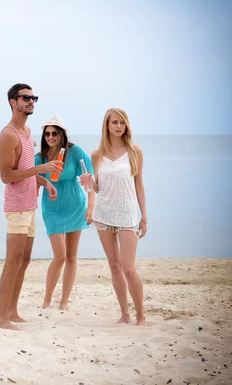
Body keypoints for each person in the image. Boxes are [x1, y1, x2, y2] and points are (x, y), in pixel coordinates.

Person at [0, 83, 61, 331]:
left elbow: (25, 172)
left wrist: (44, 182)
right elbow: (6, 176)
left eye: (34, 97)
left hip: (29, 204)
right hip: (17, 206)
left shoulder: (27, 131)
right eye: (26, 97)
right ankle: (1, 318)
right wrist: (41, 169)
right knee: (13, 261)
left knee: (24, 259)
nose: (31, 101)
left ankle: (12, 310)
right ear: (13, 102)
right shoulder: (8, 135)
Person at [83, 108, 148, 325]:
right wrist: (88, 184)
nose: (119, 126)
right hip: (103, 216)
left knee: (129, 268)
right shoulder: (96, 154)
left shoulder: (134, 151)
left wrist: (144, 216)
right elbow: (99, 188)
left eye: (122, 122)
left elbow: (139, 185)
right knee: (114, 266)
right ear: (107, 125)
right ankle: (125, 314)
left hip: (128, 215)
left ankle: (140, 316)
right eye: (114, 122)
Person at [35, 115, 95, 310]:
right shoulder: (40, 157)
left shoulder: (75, 152)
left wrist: (90, 208)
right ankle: (47, 299)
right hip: (51, 208)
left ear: (62, 135)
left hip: (75, 205)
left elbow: (89, 180)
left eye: (54, 133)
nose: (50, 137)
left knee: (71, 257)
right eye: (47, 134)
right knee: (59, 255)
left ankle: (64, 301)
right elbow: (31, 179)